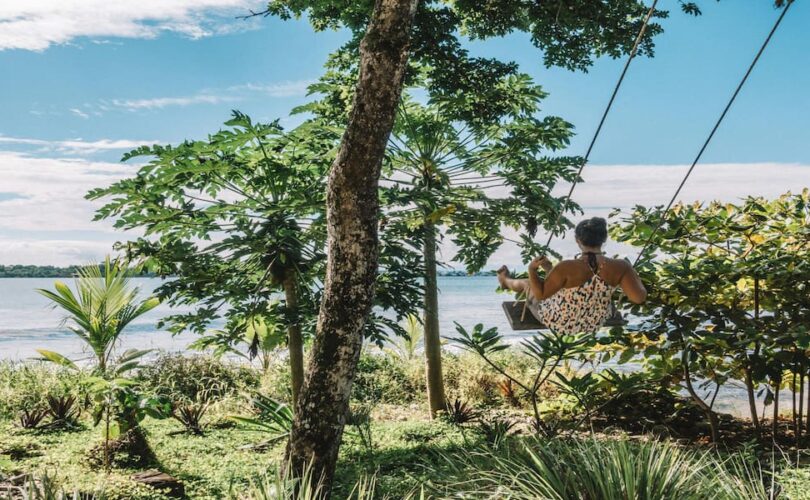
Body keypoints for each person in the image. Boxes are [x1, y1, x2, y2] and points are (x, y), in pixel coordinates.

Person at [497, 217, 647, 334]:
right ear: (604, 239)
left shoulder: (566, 267)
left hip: (559, 321)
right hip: (593, 323)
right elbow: (638, 298)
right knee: (553, 285)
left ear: (577, 240)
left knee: (528, 284)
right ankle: (507, 280)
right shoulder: (621, 266)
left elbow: (541, 295)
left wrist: (532, 270)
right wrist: (633, 275)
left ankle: (505, 280)